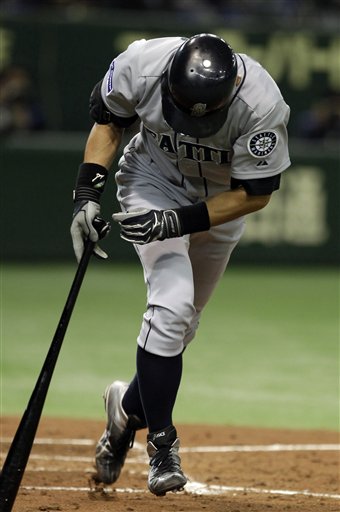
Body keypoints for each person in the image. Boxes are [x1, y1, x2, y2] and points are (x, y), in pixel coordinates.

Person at [70, 33, 290, 496]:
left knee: (181, 327)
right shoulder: (141, 64)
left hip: (219, 205)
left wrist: (178, 221)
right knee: (171, 307)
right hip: (153, 181)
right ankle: (162, 444)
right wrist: (87, 196)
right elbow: (109, 122)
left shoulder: (262, 104)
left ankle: (125, 413)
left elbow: (256, 194)